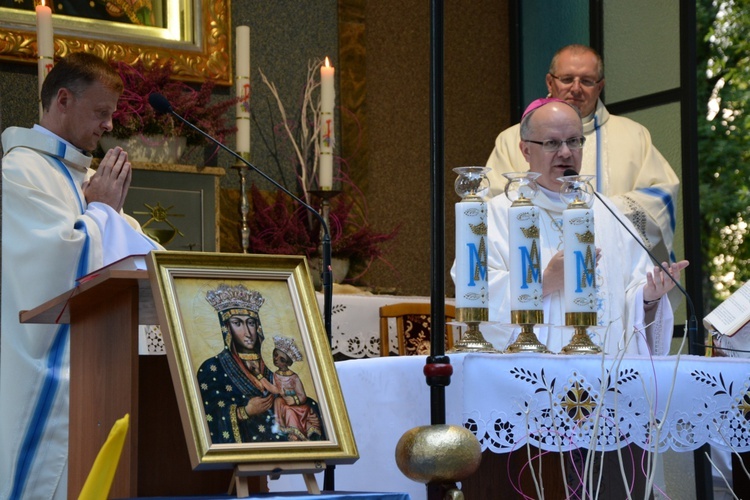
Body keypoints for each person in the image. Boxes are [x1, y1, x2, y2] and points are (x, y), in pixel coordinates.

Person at [0, 52, 161, 499]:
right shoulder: (18, 173)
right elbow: (55, 265)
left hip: (99, 375)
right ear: (64, 100)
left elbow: (136, 251)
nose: (110, 125)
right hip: (40, 375)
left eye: (113, 114)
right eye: (101, 112)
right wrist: (102, 213)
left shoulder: (85, 177)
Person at [485, 97, 689, 356]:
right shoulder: (500, 214)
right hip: (538, 372)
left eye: (574, 141)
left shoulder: (606, 212)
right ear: (526, 151)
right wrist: (544, 282)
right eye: (551, 143)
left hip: (607, 374)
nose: (566, 153)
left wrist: (647, 296)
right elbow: (480, 292)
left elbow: (629, 294)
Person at [485, 44, 680, 265]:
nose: (576, 88)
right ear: (550, 82)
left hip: (610, 261)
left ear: (600, 87)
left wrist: (602, 211)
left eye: (587, 81)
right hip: (539, 263)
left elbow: (661, 195)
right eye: (567, 79)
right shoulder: (514, 139)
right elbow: (494, 206)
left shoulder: (634, 135)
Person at [197, 284, 287, 444]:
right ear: (227, 328)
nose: (247, 332)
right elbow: (208, 412)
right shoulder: (213, 368)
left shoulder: (275, 362)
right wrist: (244, 411)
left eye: (251, 323)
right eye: (237, 323)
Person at [254, 336, 324, 441]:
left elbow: (302, 396)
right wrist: (259, 376)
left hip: (297, 405)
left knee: (288, 409)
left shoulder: (294, 377)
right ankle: (283, 429)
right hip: (283, 402)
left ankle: (296, 433)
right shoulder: (276, 375)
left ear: (287, 362)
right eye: (275, 356)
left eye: (281, 359)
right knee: (278, 401)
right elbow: (274, 389)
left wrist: (294, 399)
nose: (276, 360)